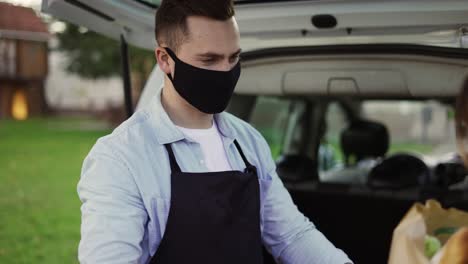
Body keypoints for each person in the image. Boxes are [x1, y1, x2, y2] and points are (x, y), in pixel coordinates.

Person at [77, 0, 352, 263]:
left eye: (234, 58)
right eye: (209, 60)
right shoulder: (120, 157)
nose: (226, 71)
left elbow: (292, 236)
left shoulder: (249, 142)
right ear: (164, 59)